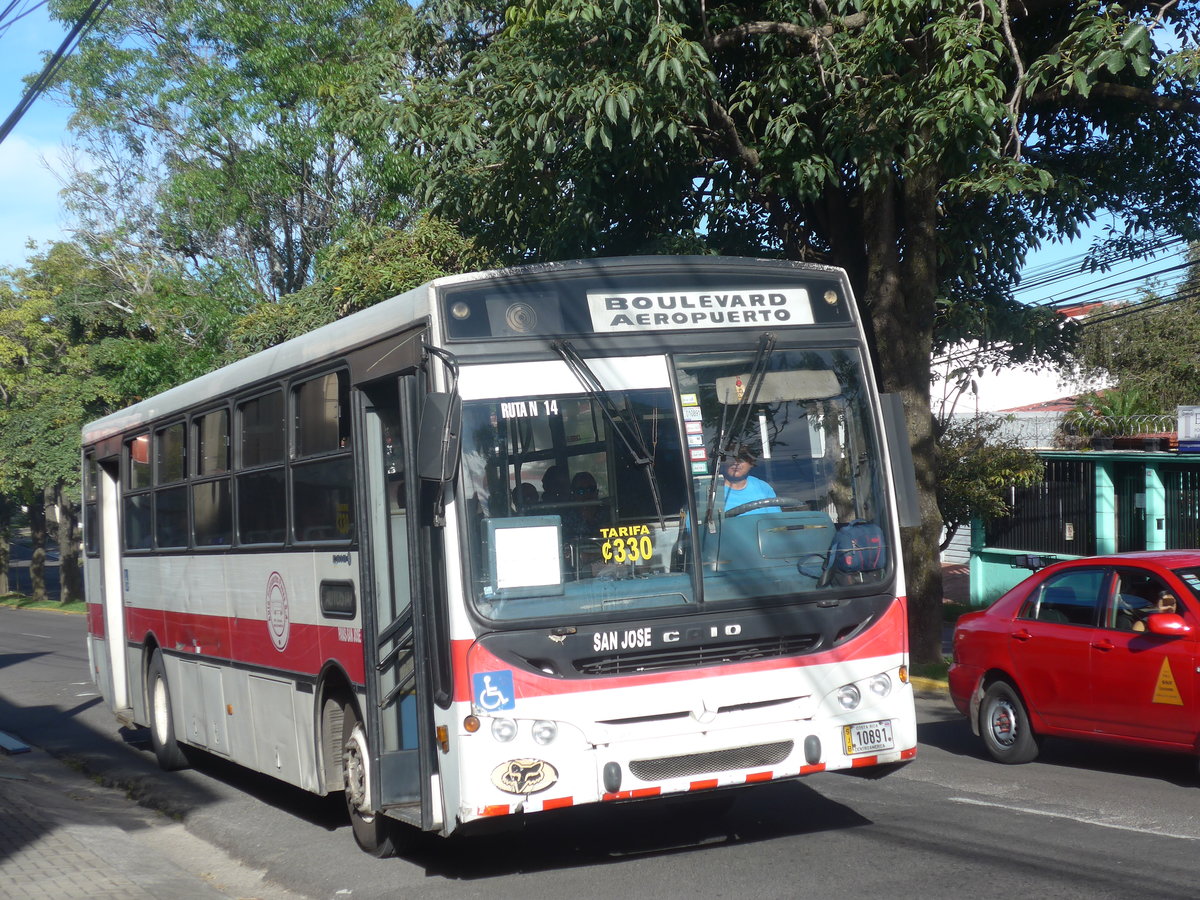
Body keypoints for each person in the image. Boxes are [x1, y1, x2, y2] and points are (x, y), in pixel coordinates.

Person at [721, 443, 780, 515]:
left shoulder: (763, 487)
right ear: (723, 462)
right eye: (730, 458)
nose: (736, 462)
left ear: (751, 464)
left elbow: (776, 522)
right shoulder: (712, 489)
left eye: (742, 459)